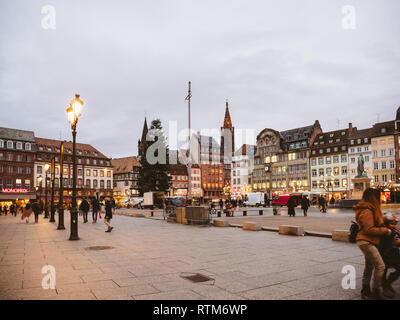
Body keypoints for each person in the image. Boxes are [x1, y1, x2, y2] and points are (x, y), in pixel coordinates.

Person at [354, 188, 392, 300]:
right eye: (378, 196)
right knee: (380, 266)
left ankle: (365, 291)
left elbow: (372, 221)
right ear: (373, 197)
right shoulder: (367, 210)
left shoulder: (369, 209)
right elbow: (369, 229)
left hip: (367, 241)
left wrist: (385, 219)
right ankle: (376, 291)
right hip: (366, 242)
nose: (379, 199)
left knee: (369, 266)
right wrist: (386, 230)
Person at [379, 213, 400, 298]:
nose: (394, 225)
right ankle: (385, 286)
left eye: (395, 224)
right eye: (392, 224)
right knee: (384, 270)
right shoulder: (385, 232)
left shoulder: (395, 230)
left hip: (394, 254)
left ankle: (388, 282)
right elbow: (386, 243)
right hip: (385, 254)